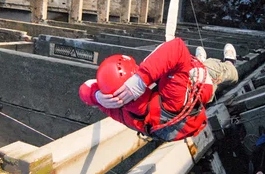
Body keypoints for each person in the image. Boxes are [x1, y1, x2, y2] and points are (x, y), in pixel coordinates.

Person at [79, 38, 238, 142]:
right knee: (219, 71)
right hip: (200, 85)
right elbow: (177, 47)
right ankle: (230, 63)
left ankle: (201, 60)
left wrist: (97, 96)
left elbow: (84, 90)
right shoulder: (169, 100)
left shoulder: (119, 109)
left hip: (174, 115)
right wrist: (142, 79)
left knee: (172, 67)